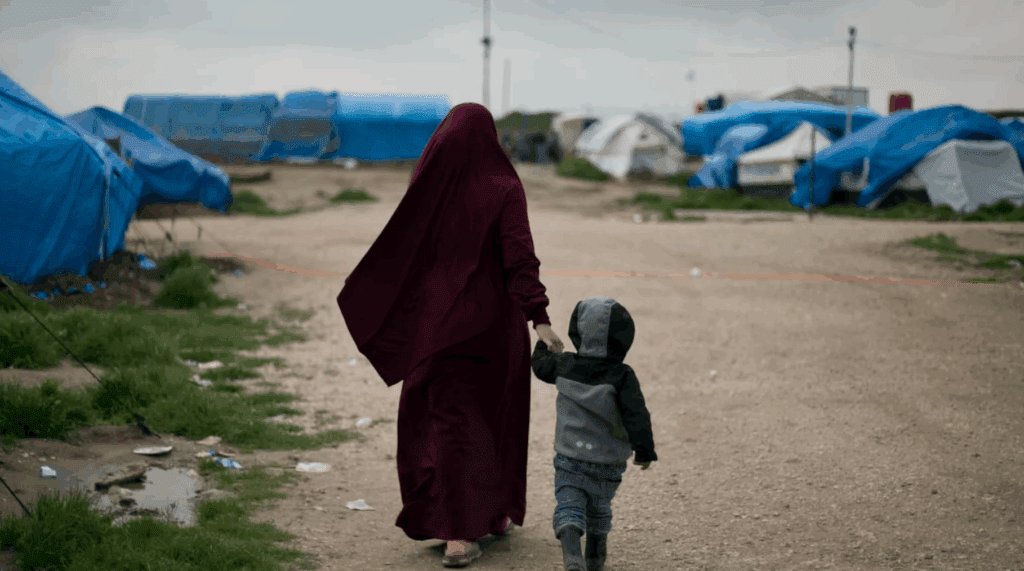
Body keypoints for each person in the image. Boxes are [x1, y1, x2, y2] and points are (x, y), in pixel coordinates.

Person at [337, 102, 565, 568]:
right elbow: (519, 256)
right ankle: (470, 525)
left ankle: (467, 524)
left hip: (435, 326)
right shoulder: (503, 186)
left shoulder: (430, 186)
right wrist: (539, 318)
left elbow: (402, 253)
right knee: (488, 424)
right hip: (491, 330)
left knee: (445, 427)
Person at [531, 296, 657, 571]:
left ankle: (572, 557)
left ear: (577, 332)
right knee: (599, 508)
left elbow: (540, 366)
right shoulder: (622, 376)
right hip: (608, 461)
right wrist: (644, 451)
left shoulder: (565, 365)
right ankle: (595, 559)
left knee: (569, 504)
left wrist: (544, 344)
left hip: (570, 457)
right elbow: (637, 415)